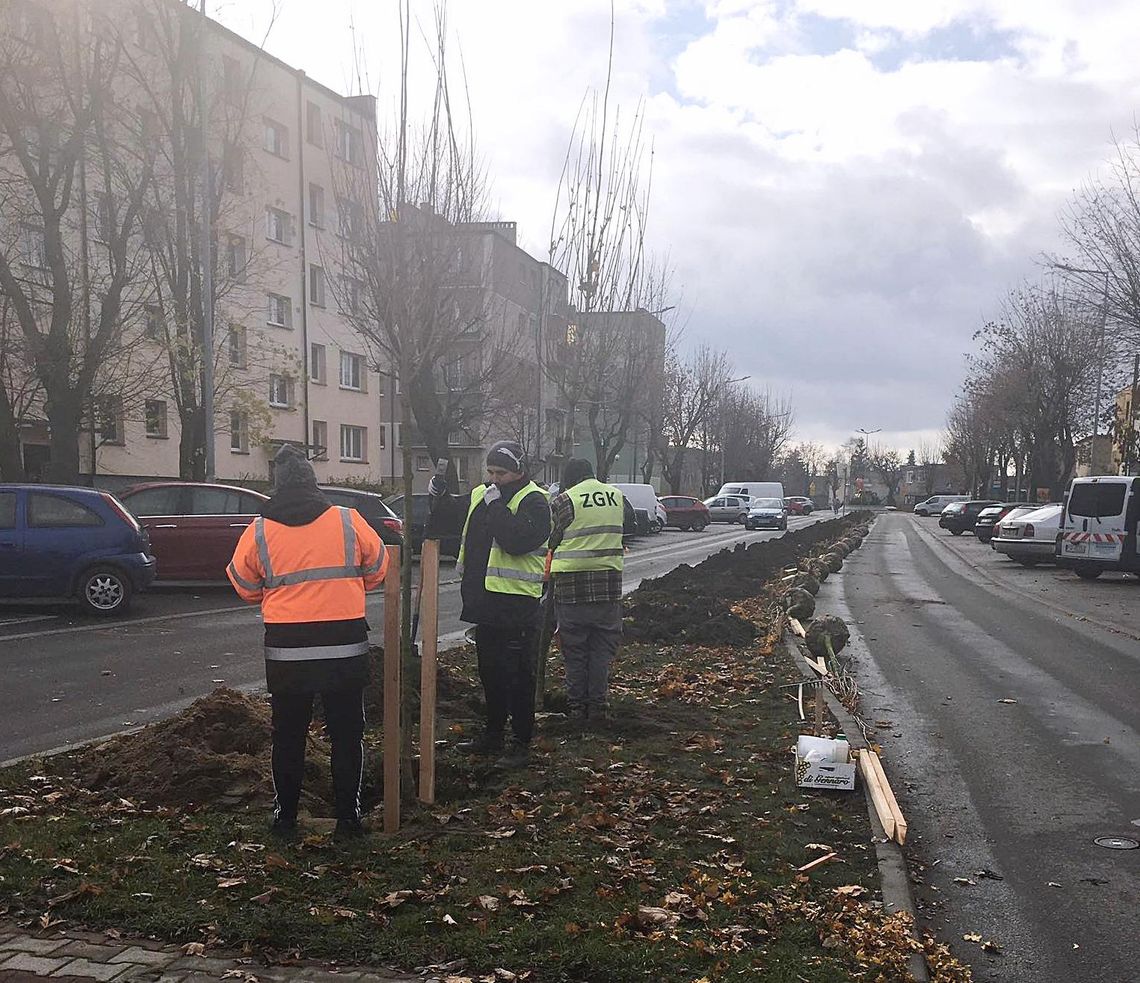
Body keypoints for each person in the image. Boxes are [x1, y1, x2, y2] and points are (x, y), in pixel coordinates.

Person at [227, 445, 387, 837]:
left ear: (276, 484)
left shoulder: (260, 529)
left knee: (288, 735)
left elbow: (244, 586)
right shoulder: (349, 521)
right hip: (344, 646)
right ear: (314, 480)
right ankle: (349, 819)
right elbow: (379, 570)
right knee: (347, 734)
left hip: (287, 650)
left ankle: (285, 819)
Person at [426, 440, 551, 768]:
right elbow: (452, 520)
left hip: (518, 606)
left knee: (519, 677)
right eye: (491, 471)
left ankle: (521, 743)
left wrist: (497, 506)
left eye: (502, 472)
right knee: (491, 674)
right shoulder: (483, 495)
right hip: (487, 604)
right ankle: (493, 735)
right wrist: (438, 496)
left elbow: (516, 539)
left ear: (519, 471)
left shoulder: (536, 502)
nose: (495, 479)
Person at [548, 459, 624, 727]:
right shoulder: (616, 496)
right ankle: (598, 706)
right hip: (608, 586)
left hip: (572, 588)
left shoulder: (565, 501)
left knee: (575, 649)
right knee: (602, 649)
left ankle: (577, 707)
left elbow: (552, 539)